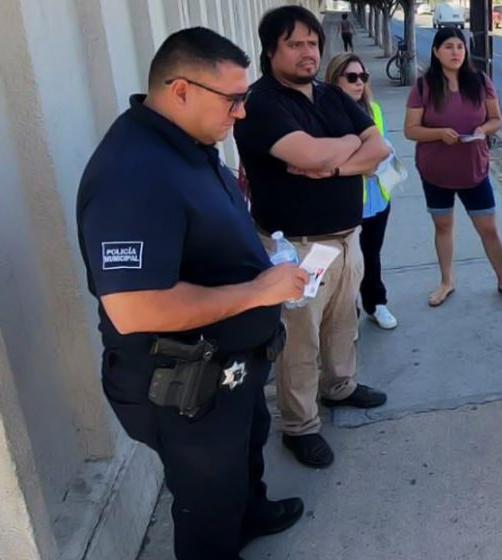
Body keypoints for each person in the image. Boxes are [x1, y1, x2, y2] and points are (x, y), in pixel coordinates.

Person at [76, 27, 308, 559]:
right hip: (186, 381)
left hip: (231, 366)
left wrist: (266, 254)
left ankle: (252, 512)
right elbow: (135, 307)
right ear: (180, 90)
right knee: (208, 503)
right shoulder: (132, 173)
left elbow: (212, 225)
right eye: (234, 100)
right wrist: (256, 291)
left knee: (244, 455)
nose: (242, 113)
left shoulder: (190, 142)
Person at [234, 6, 390, 470]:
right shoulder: (260, 104)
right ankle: (300, 427)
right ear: (270, 50)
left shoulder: (327, 92)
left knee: (343, 323)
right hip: (296, 247)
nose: (308, 52)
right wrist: (346, 148)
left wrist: (335, 163)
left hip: (346, 238)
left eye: (312, 43)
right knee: (299, 343)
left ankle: (340, 386)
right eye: (295, 44)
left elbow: (378, 146)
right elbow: (308, 153)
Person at [405, 27, 502, 308]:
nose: (456, 52)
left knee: (489, 229)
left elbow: (496, 119)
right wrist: (439, 133)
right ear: (435, 51)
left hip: (474, 171)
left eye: (460, 46)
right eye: (448, 46)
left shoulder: (480, 81)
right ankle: (446, 281)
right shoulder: (423, 86)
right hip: (435, 172)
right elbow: (411, 130)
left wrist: (483, 129)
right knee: (443, 226)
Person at [326, 52, 399, 330]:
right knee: (347, 263)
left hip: (378, 198)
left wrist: (378, 159)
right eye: (352, 77)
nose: (359, 83)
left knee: (371, 255)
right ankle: (348, 314)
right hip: (347, 201)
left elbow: (385, 147)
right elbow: (328, 158)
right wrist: (362, 164)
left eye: (363, 77)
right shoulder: (326, 116)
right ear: (335, 80)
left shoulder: (374, 109)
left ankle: (375, 303)